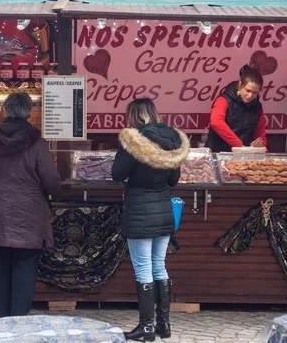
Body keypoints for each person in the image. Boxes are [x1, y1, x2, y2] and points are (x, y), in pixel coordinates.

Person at [111, 98, 190, 341]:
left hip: (139, 209)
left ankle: (146, 327)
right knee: (159, 265)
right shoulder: (173, 139)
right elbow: (173, 181)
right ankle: (164, 325)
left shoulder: (133, 140)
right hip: (163, 208)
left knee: (144, 268)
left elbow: (117, 174)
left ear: (134, 116)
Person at [0, 92, 61, 318]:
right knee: (25, 268)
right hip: (29, 215)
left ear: (6, 110)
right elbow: (51, 181)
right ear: (29, 112)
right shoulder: (37, 143)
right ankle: (18, 320)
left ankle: (2, 319)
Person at [206, 62, 268, 152]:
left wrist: (261, 144)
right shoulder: (224, 100)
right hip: (218, 153)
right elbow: (216, 122)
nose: (250, 95)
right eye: (248, 90)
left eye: (255, 93)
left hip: (243, 156)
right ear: (240, 85)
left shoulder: (257, 107)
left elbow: (261, 133)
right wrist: (238, 145)